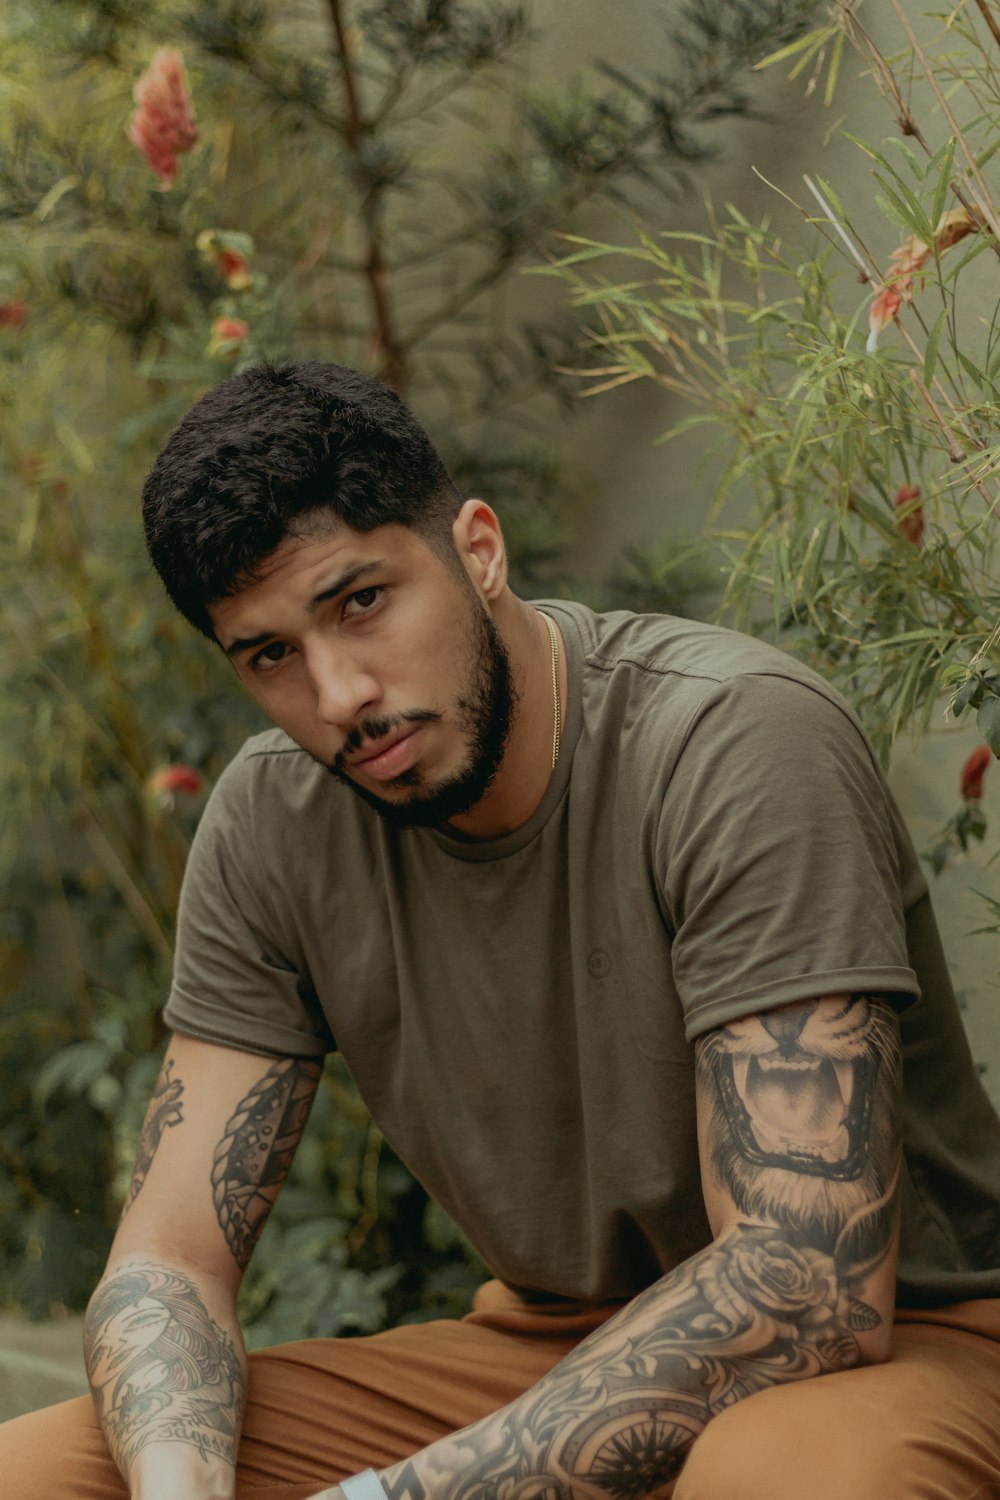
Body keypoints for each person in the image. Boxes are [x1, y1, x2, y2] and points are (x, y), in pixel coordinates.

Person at [4, 360, 1000, 1500]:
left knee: (783, 1476)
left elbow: (808, 1282)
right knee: (42, 1475)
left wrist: (395, 1499)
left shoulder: (731, 743)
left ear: (477, 549)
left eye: (360, 602)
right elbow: (170, 1257)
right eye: (270, 654)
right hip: (553, 1347)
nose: (338, 696)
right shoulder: (275, 815)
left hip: (907, 1346)